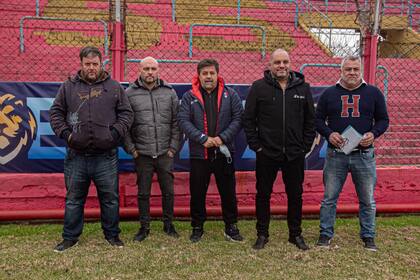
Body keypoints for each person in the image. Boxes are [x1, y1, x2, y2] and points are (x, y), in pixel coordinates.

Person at [50, 46, 133, 252]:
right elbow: (55, 113)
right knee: (74, 199)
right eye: (87, 64)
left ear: (101, 63)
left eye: (95, 64)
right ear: (81, 64)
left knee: (110, 199)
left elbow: (126, 114)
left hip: (106, 156)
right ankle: (70, 237)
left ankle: (112, 235)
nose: (91, 68)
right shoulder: (68, 87)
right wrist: (67, 135)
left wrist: (113, 134)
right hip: (76, 156)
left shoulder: (113, 87)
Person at [243, 48, 315, 250]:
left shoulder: (303, 88)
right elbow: (248, 120)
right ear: (270, 65)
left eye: (285, 62)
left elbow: (311, 121)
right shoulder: (258, 88)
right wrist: (256, 145)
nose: (281, 66)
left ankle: (295, 234)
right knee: (263, 194)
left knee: (295, 195)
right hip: (267, 153)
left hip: (295, 153)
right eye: (277, 62)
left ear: (290, 64)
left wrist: (305, 146)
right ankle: (262, 234)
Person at [315, 55, 389, 251]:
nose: (352, 73)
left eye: (356, 69)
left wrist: (373, 134)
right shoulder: (329, 94)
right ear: (341, 70)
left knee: (367, 199)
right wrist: (329, 134)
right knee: (329, 197)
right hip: (335, 154)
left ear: (361, 71)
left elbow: (383, 120)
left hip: (364, 155)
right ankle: (325, 234)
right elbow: (318, 120)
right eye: (348, 69)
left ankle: (368, 236)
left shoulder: (373, 93)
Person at [177, 58, 244, 243]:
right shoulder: (189, 97)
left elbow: (238, 118)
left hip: (225, 153)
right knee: (197, 192)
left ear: (217, 74)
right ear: (198, 75)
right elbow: (183, 121)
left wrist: (222, 138)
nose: (208, 77)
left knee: (228, 192)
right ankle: (197, 227)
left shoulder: (231, 95)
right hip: (200, 154)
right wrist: (202, 139)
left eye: (211, 73)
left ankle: (231, 226)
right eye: (204, 73)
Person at [123, 57, 181, 242]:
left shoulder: (169, 92)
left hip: (165, 153)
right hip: (142, 154)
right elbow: (124, 126)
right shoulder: (129, 93)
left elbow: (176, 123)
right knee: (143, 193)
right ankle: (144, 227)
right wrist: (132, 150)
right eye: (146, 68)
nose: (150, 72)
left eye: (153, 69)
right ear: (139, 70)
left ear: (158, 70)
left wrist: (173, 148)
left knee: (168, 192)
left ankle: (168, 225)